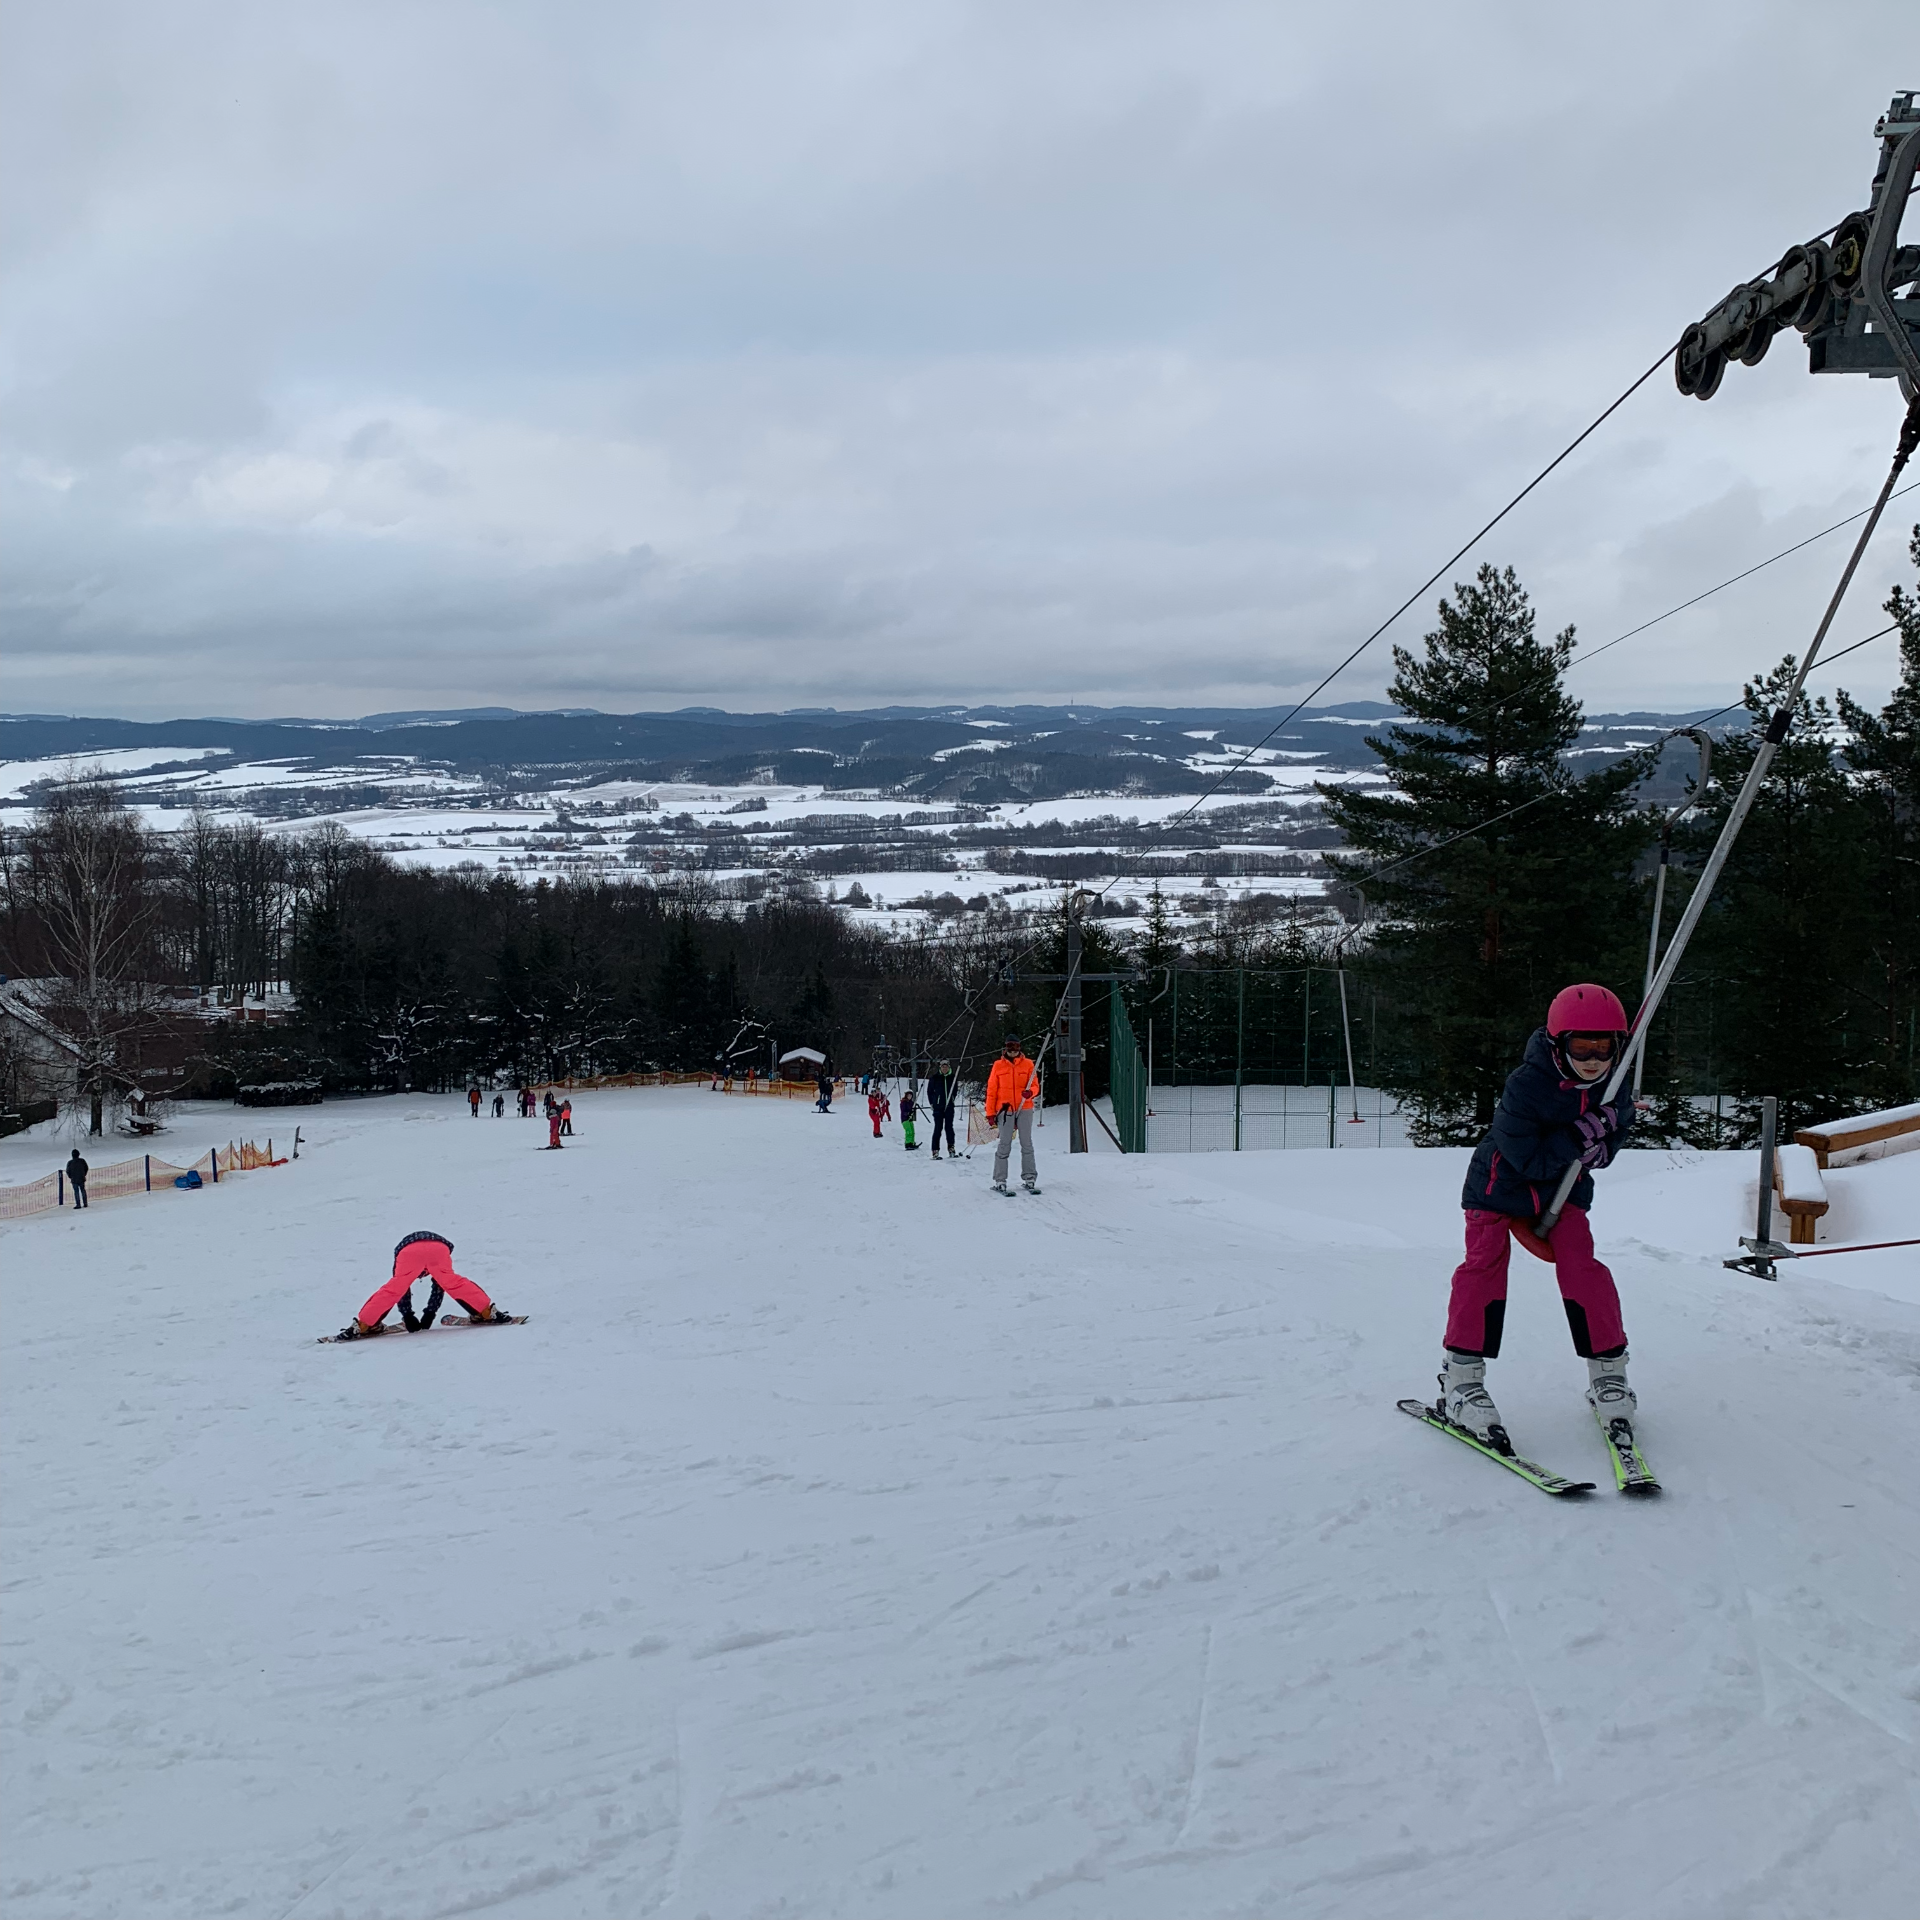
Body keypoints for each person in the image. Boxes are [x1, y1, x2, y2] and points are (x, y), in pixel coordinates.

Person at [1438, 984, 1638, 1452]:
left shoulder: (1614, 1081)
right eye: (1581, 1047)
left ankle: (1609, 1374)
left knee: (1583, 1267)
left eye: (1604, 1047)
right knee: (1484, 1267)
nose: (1594, 1060)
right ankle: (1461, 1380)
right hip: (1498, 1187)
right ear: (1557, 1043)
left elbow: (1618, 1124)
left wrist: (1603, 1146)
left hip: (1562, 1190)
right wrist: (1579, 1137)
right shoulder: (1526, 1084)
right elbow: (1527, 1158)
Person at [337, 1230, 512, 1340]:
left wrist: (407, 1315)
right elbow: (439, 1287)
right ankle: (486, 1312)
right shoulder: (438, 1248)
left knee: (394, 1288)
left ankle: (364, 1325)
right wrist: (430, 1312)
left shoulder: (401, 1254)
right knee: (452, 1282)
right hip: (439, 1248)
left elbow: (402, 1291)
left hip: (408, 1251)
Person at [986, 1034, 1040, 1194]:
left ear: (1019, 1048)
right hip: (1005, 1109)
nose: (1013, 1051)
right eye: (1010, 1047)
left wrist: (1030, 1093)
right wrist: (990, 1113)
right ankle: (1000, 1179)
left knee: (1026, 1143)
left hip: (1024, 1107)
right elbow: (991, 1090)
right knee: (1004, 1144)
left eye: (1016, 1047)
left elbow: (1035, 1085)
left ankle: (1030, 1177)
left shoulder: (1028, 1064)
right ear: (1006, 1048)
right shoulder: (998, 1065)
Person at [925, 1059, 958, 1159]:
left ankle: (951, 1147)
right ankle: (935, 1150)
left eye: (946, 1067)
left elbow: (955, 1090)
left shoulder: (952, 1078)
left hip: (949, 1107)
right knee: (938, 1128)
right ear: (940, 1068)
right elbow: (930, 1091)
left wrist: (952, 1099)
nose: (944, 1068)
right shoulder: (935, 1078)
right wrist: (932, 1103)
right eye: (943, 1067)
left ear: (949, 1067)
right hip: (938, 1107)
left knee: (949, 1128)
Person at [900, 1083, 919, 1150]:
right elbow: (903, 1110)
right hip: (905, 1119)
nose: (909, 1097)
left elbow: (912, 1108)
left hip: (910, 1119)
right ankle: (907, 1143)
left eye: (911, 1095)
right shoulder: (903, 1102)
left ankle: (912, 1142)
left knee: (912, 1131)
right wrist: (908, 1113)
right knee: (909, 1131)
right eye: (908, 1095)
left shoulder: (911, 1103)